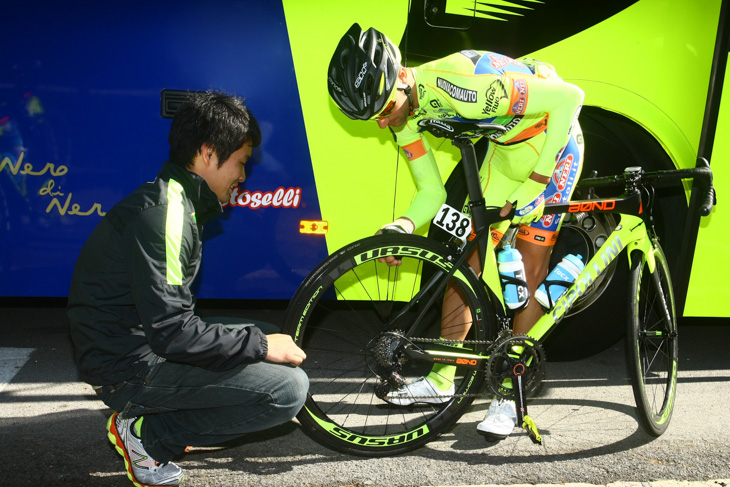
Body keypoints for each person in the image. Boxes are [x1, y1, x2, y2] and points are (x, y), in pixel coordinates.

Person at [327, 24, 584, 439]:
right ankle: (445, 379)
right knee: (465, 268)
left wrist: (536, 181)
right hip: (504, 155)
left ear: (402, 77)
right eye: (374, 115)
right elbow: (431, 190)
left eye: (384, 109)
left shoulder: (465, 88)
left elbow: (571, 98)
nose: (383, 122)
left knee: (528, 272)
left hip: (552, 152)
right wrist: (404, 224)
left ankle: (508, 390)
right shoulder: (403, 110)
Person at [67, 91, 308, 487]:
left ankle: (153, 417)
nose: (243, 176)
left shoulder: (173, 201)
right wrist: (261, 346)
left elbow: (169, 324)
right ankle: (148, 438)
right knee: (286, 389)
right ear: (209, 153)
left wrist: (258, 342)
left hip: (135, 345)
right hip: (125, 365)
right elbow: (172, 333)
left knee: (266, 341)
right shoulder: (167, 215)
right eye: (241, 163)